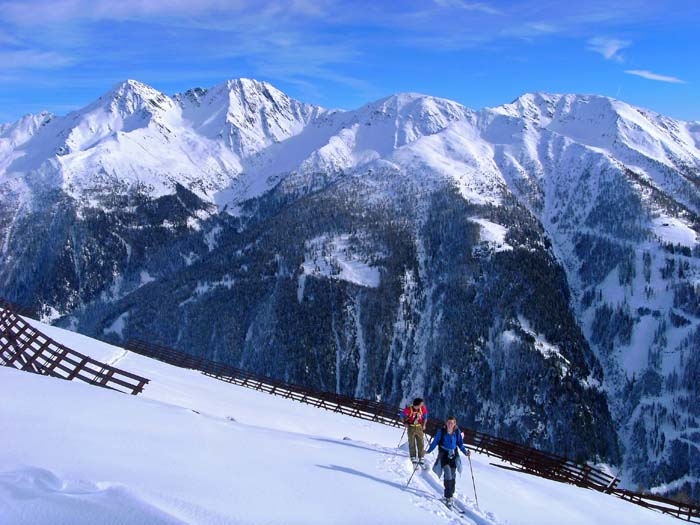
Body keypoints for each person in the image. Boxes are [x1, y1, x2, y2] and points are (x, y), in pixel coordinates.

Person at [426, 416, 470, 508]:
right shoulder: (441, 432)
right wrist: (428, 451)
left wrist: (466, 452)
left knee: (453, 475)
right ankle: (448, 497)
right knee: (448, 474)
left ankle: (451, 493)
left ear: (454, 424)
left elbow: (460, 444)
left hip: (454, 454)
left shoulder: (457, 432)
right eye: (449, 422)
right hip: (444, 454)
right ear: (446, 423)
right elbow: (435, 442)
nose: (450, 424)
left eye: (452, 423)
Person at [402, 397, 428, 468]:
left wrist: (424, 425)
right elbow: (401, 415)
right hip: (411, 427)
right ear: (417, 404)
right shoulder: (408, 409)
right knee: (411, 442)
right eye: (421, 404)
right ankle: (413, 456)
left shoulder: (422, 409)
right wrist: (404, 423)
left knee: (421, 442)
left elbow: (425, 416)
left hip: (419, 426)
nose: (422, 405)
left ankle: (421, 457)